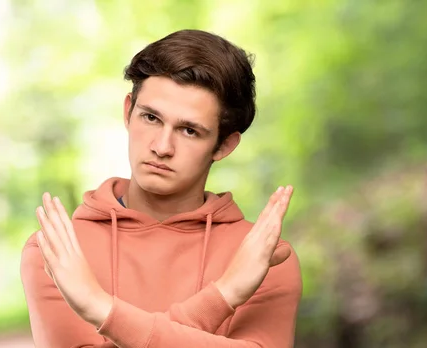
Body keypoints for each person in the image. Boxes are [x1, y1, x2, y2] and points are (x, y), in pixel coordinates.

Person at [20, 29, 302, 347]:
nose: (162, 146)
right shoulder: (58, 249)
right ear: (128, 111)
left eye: (189, 130)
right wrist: (226, 294)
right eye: (151, 118)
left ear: (224, 145)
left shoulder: (265, 255)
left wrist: (99, 309)